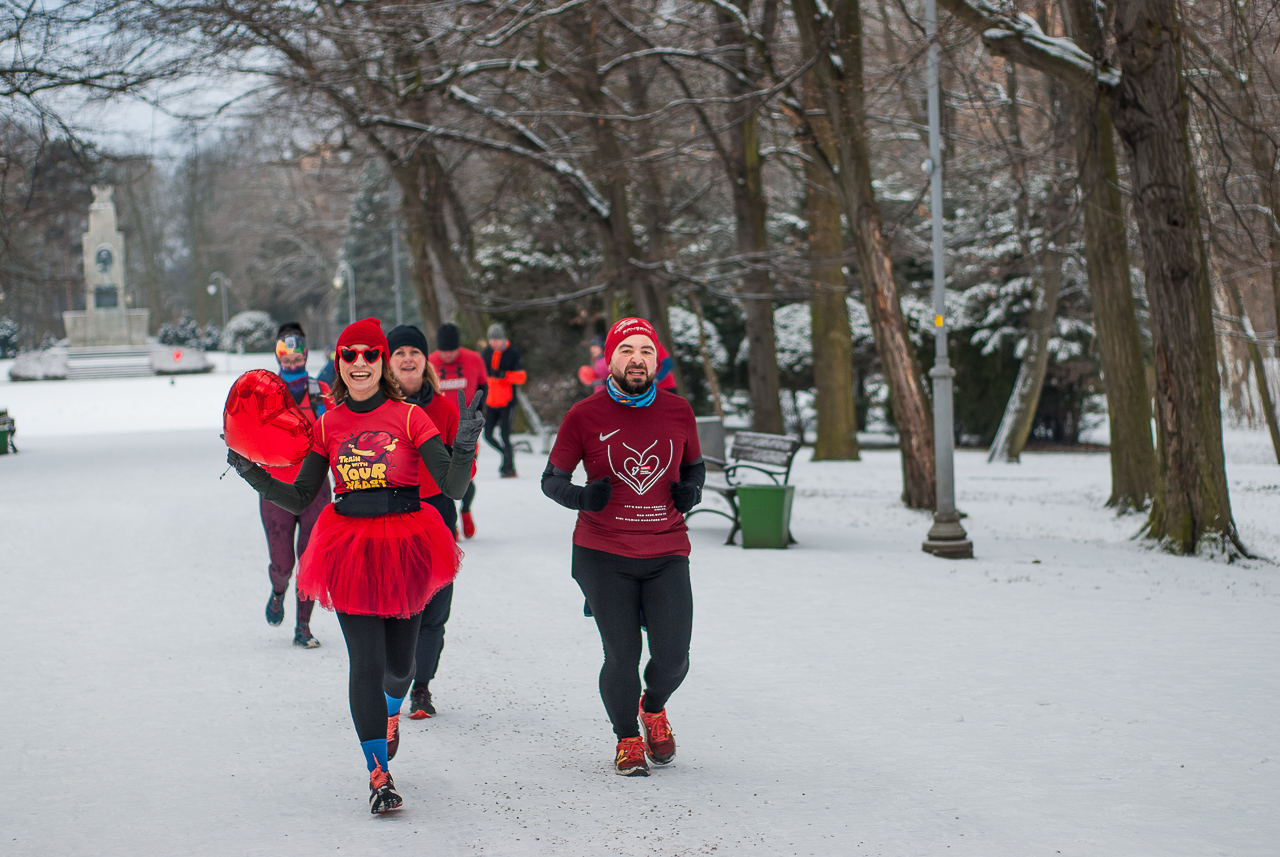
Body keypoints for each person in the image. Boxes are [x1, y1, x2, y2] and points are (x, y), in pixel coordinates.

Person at [228, 317, 482, 814]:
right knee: (365, 663)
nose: (360, 363)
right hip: (349, 548)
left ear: (382, 361)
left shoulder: (410, 417)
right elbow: (302, 494)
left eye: (370, 354)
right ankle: (378, 774)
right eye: (350, 355)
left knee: (400, 667)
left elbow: (450, 488)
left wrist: (466, 444)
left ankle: (391, 711)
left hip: (405, 541)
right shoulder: (327, 425)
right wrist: (255, 475)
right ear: (339, 364)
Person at [541, 317, 705, 777]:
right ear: (609, 360)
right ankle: (627, 737)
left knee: (674, 656)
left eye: (646, 351)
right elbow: (551, 480)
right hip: (602, 552)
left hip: (667, 549)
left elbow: (694, 468)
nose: (637, 359)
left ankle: (652, 707)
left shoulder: (678, 410)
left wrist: (691, 491)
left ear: (657, 360)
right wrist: (581, 496)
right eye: (627, 351)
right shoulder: (584, 415)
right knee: (622, 654)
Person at [388, 324, 465, 721]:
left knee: (435, 608)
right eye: (399, 352)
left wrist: (466, 446)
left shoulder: (446, 410)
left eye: (414, 352)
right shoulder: (377, 407)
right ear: (388, 361)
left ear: (425, 359)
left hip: (435, 512)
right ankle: (391, 683)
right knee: (396, 605)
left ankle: (422, 687)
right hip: (389, 515)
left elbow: (456, 480)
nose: (407, 359)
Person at [261, 323, 334, 648]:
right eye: (284, 357)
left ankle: (302, 627)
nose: (291, 363)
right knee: (284, 564)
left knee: (309, 561)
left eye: (296, 357)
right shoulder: (265, 392)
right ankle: (278, 590)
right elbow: (249, 432)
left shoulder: (321, 391)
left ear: (305, 354)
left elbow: (338, 432)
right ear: (277, 356)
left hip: (315, 489)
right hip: (276, 489)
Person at [429, 323, 489, 538]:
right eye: (443, 351)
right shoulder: (429, 362)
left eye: (451, 351)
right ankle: (450, 521)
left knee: (466, 478)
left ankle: (465, 510)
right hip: (438, 432)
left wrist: (477, 417)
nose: (447, 356)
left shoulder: (474, 359)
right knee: (440, 482)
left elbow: (484, 386)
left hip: (467, 433)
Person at [480, 323, 526, 478]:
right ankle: (505, 455)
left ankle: (509, 467)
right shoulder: (486, 353)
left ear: (503, 339)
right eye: (491, 340)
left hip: (507, 401)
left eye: (496, 340)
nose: (493, 343)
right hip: (491, 401)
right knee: (487, 435)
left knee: (505, 435)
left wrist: (504, 375)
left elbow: (521, 377)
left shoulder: (512, 353)